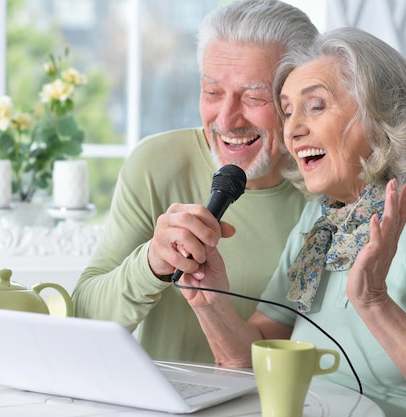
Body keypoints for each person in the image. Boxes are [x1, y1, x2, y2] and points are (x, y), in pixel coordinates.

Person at [179, 27, 406, 416]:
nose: (293, 130)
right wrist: (209, 301)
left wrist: (374, 301)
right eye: (286, 111)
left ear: (384, 111)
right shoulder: (320, 219)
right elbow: (249, 361)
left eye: (315, 106)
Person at [72, 0, 318, 363]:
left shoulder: (327, 190)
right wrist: (152, 263)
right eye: (213, 92)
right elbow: (84, 317)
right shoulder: (157, 164)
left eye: (254, 97)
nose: (227, 119)